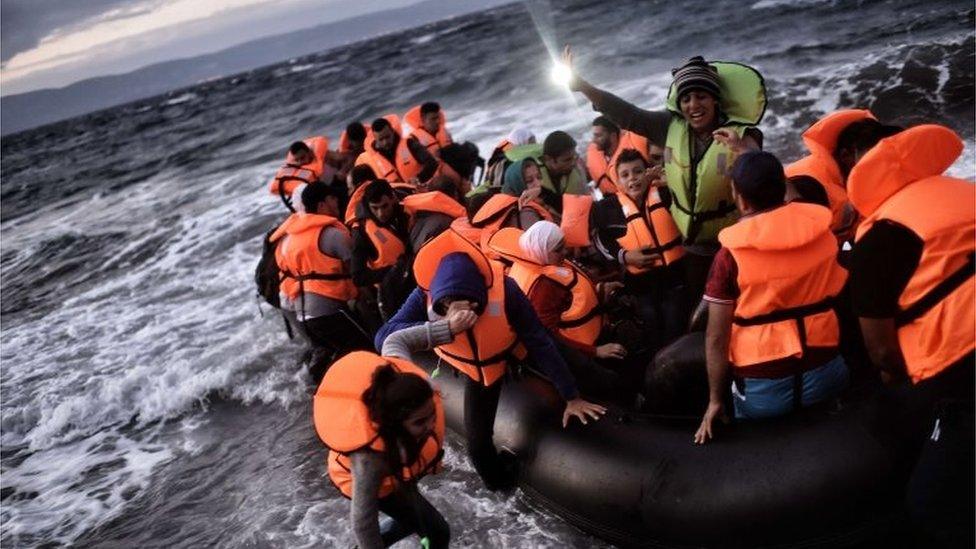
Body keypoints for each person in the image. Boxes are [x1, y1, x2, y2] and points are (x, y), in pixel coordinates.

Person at [375, 228, 606, 490]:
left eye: (469, 306)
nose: (463, 312)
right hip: (478, 371)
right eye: (450, 305)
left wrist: (571, 396)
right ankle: (502, 484)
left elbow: (539, 341)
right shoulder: (423, 295)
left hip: (513, 347)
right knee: (478, 446)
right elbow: (384, 336)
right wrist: (445, 327)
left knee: (587, 371)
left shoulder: (505, 289)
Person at [846, 125, 974, 546]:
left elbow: (881, 351)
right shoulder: (963, 191)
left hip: (960, 372)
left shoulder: (879, 236)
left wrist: (900, 381)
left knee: (929, 505)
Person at [562, 46, 766, 304]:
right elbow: (628, 115)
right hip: (692, 249)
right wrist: (583, 87)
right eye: (686, 99)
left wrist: (741, 149)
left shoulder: (742, 134)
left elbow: (763, 172)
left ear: (715, 99)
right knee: (698, 317)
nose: (693, 105)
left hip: (734, 245)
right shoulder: (669, 127)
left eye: (701, 96)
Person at [694, 151, 849, 444]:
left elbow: (716, 338)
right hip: (827, 368)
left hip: (764, 385)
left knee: (764, 447)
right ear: (783, 186)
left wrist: (715, 400)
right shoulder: (823, 234)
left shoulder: (729, 257)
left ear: (739, 198)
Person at [314, 351, 449, 549]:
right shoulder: (371, 461)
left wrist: (445, 330)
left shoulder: (408, 389)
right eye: (420, 422)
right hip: (358, 481)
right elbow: (363, 523)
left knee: (416, 520)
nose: (430, 426)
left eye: (431, 416)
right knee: (437, 531)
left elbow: (395, 340)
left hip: (396, 473)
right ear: (395, 423)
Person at [487, 223, 633, 404]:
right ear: (542, 250)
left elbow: (569, 296)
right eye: (559, 249)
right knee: (614, 384)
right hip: (580, 350)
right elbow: (550, 340)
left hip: (594, 334)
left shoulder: (544, 261)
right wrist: (595, 351)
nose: (566, 251)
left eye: (564, 244)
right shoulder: (544, 288)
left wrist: (600, 289)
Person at [270, 181, 373, 380]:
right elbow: (359, 275)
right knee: (367, 350)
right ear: (321, 206)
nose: (337, 202)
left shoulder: (289, 238)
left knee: (342, 354)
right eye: (332, 199)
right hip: (328, 313)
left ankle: (323, 383)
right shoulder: (333, 235)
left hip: (302, 316)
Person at [593, 149, 688, 354]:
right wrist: (625, 256)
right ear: (617, 182)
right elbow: (600, 239)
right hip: (641, 287)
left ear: (648, 173)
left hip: (675, 279)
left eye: (638, 171)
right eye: (625, 175)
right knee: (652, 335)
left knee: (675, 331)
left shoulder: (665, 194)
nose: (632, 179)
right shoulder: (608, 210)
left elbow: (690, 210)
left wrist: (671, 183)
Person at [785, 110, 901, 240]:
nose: (881, 163)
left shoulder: (856, 176)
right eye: (872, 156)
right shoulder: (806, 187)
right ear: (845, 156)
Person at [356, 116, 442, 186]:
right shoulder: (374, 160)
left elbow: (432, 163)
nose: (385, 142)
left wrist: (419, 178)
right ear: (375, 139)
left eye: (387, 137)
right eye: (381, 139)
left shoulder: (409, 144)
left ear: (392, 132)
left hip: (424, 188)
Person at [585, 116, 650, 195]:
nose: (593, 140)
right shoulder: (593, 152)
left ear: (613, 136)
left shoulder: (634, 145)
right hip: (611, 198)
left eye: (598, 136)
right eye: (594, 136)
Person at [269, 139, 328, 212]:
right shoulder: (292, 168)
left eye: (302, 158)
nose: (300, 162)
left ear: (310, 153)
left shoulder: (321, 158)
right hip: (305, 200)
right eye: (297, 160)